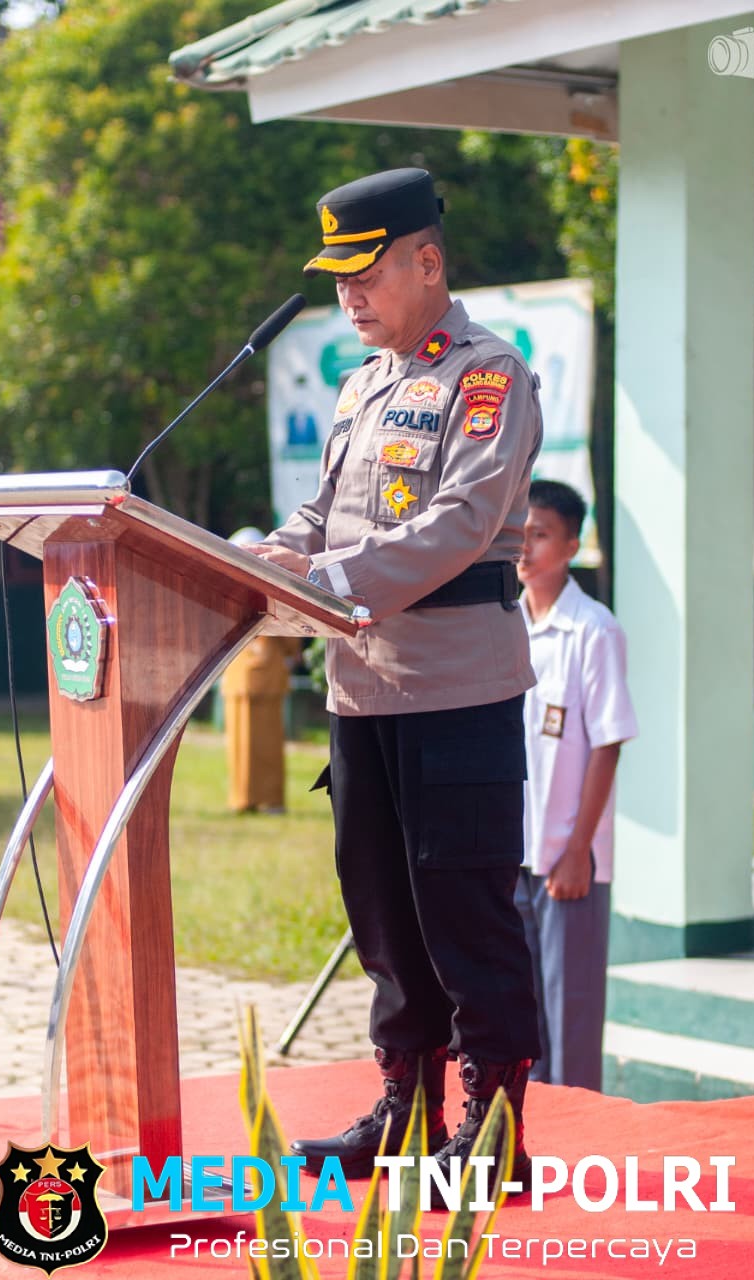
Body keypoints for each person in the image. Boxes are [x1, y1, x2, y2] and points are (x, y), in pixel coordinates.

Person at [249, 167, 544, 1190]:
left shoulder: (488, 374)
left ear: (427, 261)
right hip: (360, 687)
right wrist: (262, 560)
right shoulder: (363, 383)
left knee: (466, 913)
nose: (348, 296)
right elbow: (323, 517)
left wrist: (325, 577)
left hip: (456, 687)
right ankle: (407, 1114)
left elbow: (461, 523)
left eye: (364, 274)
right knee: (382, 913)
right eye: (337, 280)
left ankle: (493, 1137)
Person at [515, 480, 638, 1091]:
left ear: (571, 546)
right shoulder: (503, 623)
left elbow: (608, 744)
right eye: (519, 532)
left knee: (571, 1027)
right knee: (520, 1028)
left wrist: (577, 850)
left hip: (567, 863)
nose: (525, 546)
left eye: (540, 534)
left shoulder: (594, 629)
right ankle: (524, 1138)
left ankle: (582, 1140)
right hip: (512, 858)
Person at [222, 527, 302, 813]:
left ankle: (242, 799)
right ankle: (270, 800)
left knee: (240, 743)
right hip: (268, 675)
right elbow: (291, 636)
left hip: (237, 675)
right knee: (268, 743)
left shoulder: (225, 591)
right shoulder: (274, 589)